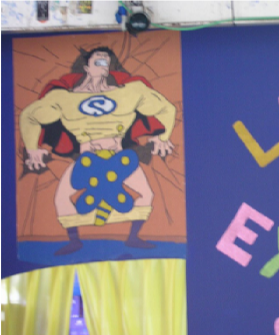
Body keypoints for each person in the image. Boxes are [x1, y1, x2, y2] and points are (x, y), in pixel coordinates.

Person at [19, 46, 176, 255]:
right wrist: (32, 149)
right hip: (87, 161)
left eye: (106, 62)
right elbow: (29, 116)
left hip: (119, 159)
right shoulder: (64, 99)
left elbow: (167, 108)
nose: (103, 64)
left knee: (147, 194)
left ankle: (132, 237)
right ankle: (75, 241)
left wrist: (162, 138)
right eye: (98, 61)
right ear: (86, 67)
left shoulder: (130, 92)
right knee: (61, 198)